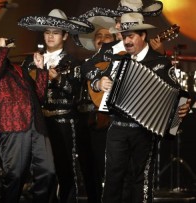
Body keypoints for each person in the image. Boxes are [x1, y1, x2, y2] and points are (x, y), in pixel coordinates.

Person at [92, 12, 191, 203]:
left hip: (144, 131)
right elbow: (92, 72)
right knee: (112, 178)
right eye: (124, 36)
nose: (126, 41)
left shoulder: (160, 62)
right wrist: (98, 83)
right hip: (117, 127)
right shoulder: (118, 59)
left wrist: (183, 108)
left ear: (143, 35)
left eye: (131, 36)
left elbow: (179, 95)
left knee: (141, 180)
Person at [18, 9, 94, 203]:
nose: (51, 36)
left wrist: (58, 79)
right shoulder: (30, 61)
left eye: (56, 32)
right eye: (47, 32)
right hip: (38, 122)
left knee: (65, 169)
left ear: (65, 35)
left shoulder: (74, 62)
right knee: (41, 171)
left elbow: (75, 92)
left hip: (64, 121)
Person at [0, 35, 55, 203]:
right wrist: (2, 48)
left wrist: (41, 70)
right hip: (11, 125)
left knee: (48, 172)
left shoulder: (17, 68)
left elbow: (38, 97)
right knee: (15, 175)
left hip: (36, 124)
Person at [73, 15, 116, 203]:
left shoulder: (116, 64)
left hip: (106, 122)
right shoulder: (83, 64)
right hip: (83, 119)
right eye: (99, 35)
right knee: (87, 168)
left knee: (105, 167)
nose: (102, 39)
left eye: (107, 36)